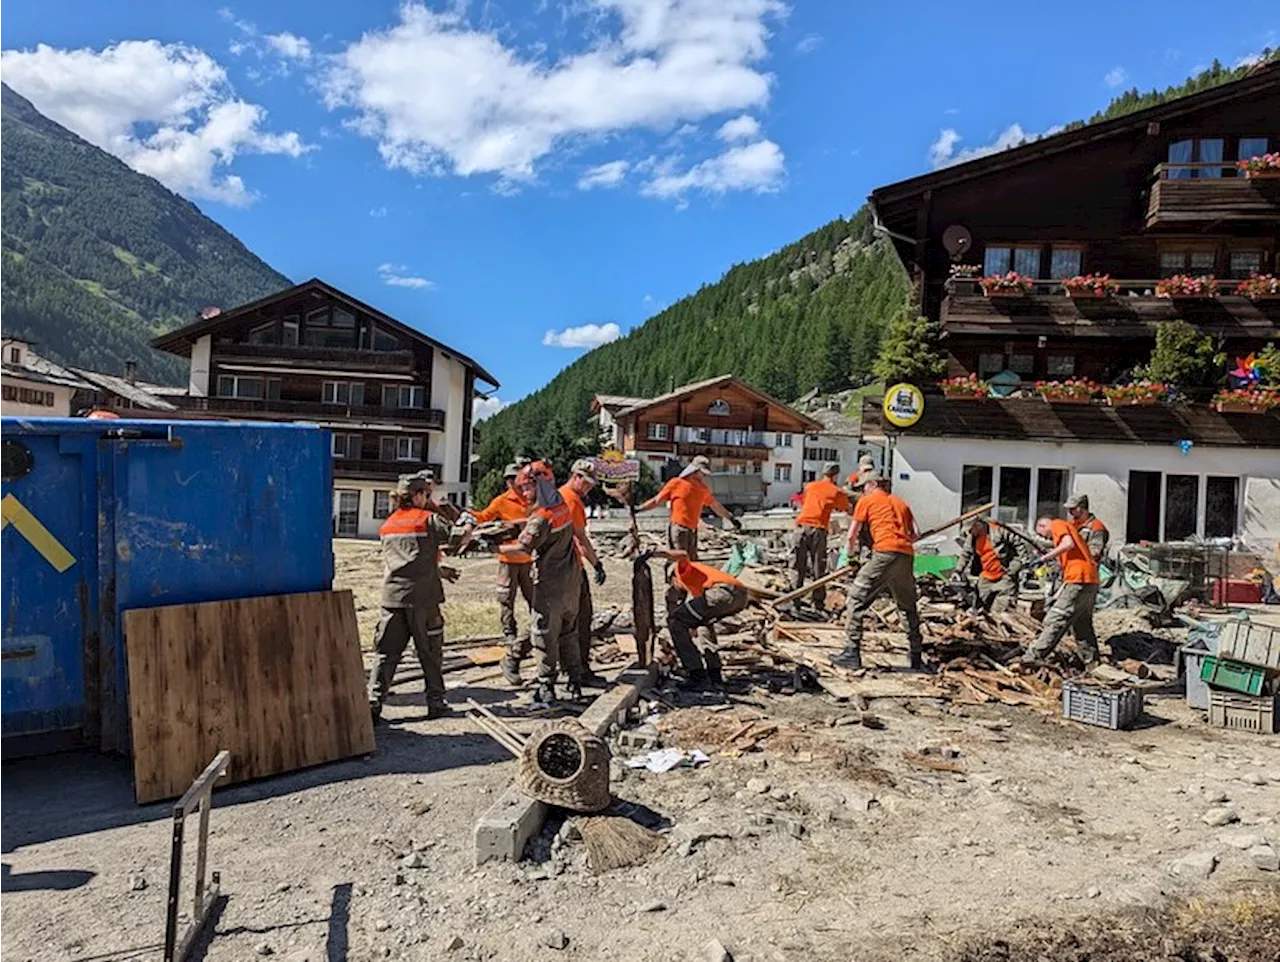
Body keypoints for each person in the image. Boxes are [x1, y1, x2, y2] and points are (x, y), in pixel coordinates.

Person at [368, 474, 456, 722]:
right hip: (423, 599)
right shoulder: (427, 519)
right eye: (425, 495)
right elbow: (455, 537)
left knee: (386, 654)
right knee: (430, 652)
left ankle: (374, 705)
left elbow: (406, 560)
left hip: (393, 597)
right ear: (418, 495)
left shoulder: (388, 525)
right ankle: (436, 703)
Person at [502, 461, 582, 705]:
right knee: (568, 632)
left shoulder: (541, 518)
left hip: (549, 585)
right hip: (571, 581)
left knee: (543, 634)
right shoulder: (561, 507)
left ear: (538, 485)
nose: (523, 494)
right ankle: (574, 680)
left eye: (526, 488)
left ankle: (546, 686)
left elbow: (523, 550)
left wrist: (490, 546)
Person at [832, 471, 925, 671]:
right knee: (907, 605)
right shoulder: (901, 503)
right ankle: (916, 655)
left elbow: (851, 535)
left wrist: (852, 559)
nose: (863, 490)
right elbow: (916, 533)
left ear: (873, 484)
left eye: (864, 486)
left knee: (856, 598)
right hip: (906, 555)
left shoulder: (867, 501)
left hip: (883, 553)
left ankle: (851, 651)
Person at [637, 454, 742, 615]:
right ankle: (674, 600)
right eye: (703, 473)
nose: (704, 476)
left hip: (692, 531)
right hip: (678, 529)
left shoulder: (702, 489)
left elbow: (715, 505)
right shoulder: (677, 484)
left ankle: (689, 601)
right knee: (679, 563)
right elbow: (657, 500)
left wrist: (730, 518)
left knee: (692, 566)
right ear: (694, 470)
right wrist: (639, 509)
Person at [462, 463, 534, 686]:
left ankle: (530, 638)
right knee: (506, 601)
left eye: (518, 478)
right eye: (511, 479)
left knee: (535, 600)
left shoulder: (532, 500)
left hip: (529, 560)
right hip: (507, 560)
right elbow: (483, 516)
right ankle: (510, 637)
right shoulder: (502, 501)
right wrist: (467, 517)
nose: (515, 482)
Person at [641, 549, 749, 690]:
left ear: (673, 578)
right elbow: (695, 620)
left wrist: (654, 554)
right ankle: (714, 674)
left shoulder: (682, 571)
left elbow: (683, 554)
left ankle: (696, 674)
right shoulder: (698, 584)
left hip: (722, 592)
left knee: (675, 621)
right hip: (739, 596)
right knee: (704, 624)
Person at [1024, 513, 1101, 667]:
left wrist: (1044, 558)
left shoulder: (1057, 524)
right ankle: (1092, 662)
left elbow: (1068, 543)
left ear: (1043, 526)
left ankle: (1033, 656)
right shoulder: (1070, 530)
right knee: (1082, 623)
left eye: (1043, 535)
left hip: (1079, 578)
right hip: (1090, 580)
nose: (1047, 539)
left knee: (1056, 618)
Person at [560, 459, 609, 687]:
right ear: (576, 476)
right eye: (586, 483)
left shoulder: (561, 496)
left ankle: (574, 668)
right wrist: (596, 563)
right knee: (577, 619)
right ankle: (577, 670)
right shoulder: (570, 500)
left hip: (564, 567)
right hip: (570, 568)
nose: (589, 488)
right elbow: (579, 536)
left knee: (562, 619)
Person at [791, 462, 851, 609]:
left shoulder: (810, 486)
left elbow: (807, 503)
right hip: (818, 529)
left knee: (798, 566)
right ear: (836, 475)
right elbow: (846, 508)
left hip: (800, 527)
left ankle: (794, 600)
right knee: (819, 567)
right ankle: (817, 603)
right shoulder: (836, 491)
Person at [952, 518, 1034, 614]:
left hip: (1004, 576)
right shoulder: (972, 538)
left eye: (970, 530)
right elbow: (965, 554)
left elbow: (1020, 544)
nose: (969, 533)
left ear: (978, 525)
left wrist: (1020, 564)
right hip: (986, 576)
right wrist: (958, 571)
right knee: (980, 608)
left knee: (1001, 611)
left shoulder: (999, 530)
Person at [1066, 494, 1109, 566]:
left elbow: (1094, 552)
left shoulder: (1096, 527)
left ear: (1080, 508)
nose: (1070, 512)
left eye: (1072, 509)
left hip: (1086, 567)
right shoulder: (1071, 524)